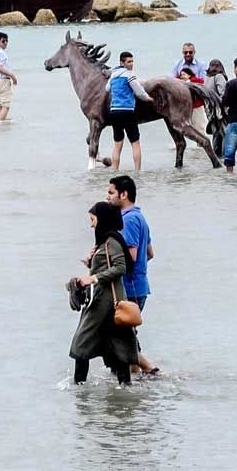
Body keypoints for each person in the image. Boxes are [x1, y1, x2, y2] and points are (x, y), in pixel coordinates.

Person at [68, 200, 137, 385]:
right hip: (108, 301)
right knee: (117, 343)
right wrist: (92, 262)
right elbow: (112, 265)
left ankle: (78, 388)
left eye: (93, 219)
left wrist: (94, 278)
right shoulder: (106, 241)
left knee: (82, 341)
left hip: (104, 302)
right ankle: (125, 386)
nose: (91, 224)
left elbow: (121, 267)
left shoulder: (111, 241)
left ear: (102, 219)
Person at [107, 175, 157, 376]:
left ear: (123, 194)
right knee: (127, 336)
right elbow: (150, 253)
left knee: (121, 339)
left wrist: (106, 262)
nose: (108, 197)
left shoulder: (128, 220)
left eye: (111, 193)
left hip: (130, 289)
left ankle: (150, 369)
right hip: (139, 286)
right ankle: (136, 373)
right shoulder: (140, 218)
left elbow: (132, 256)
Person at [106, 51, 154, 171]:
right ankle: (137, 171)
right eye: (129, 62)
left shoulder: (113, 75)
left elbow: (107, 89)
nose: (131, 64)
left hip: (114, 112)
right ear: (122, 62)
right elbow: (139, 92)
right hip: (127, 111)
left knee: (117, 144)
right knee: (135, 142)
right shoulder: (129, 75)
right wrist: (148, 98)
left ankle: (115, 171)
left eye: (132, 61)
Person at [0, 32, 16, 120]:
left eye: (6, 41)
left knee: (0, 105)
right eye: (3, 41)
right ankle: (0, 124)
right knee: (6, 106)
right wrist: (12, 76)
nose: (5, 43)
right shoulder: (0, 53)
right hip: (2, 81)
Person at [178, 67, 209, 136]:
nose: (182, 76)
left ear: (189, 75)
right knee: (193, 126)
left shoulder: (195, 81)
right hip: (190, 108)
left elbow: (202, 82)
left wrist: (190, 82)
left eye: (184, 74)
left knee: (199, 125)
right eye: (181, 75)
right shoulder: (183, 84)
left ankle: (202, 143)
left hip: (197, 107)